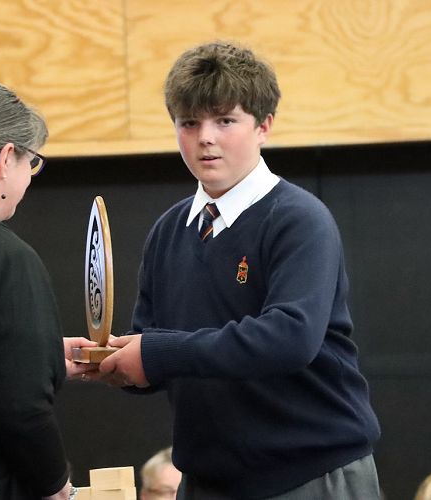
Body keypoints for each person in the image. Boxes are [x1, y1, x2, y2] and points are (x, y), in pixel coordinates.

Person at [99, 41, 381, 499]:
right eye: (189, 123)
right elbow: (157, 348)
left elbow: (290, 337)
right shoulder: (168, 230)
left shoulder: (298, 219)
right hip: (207, 480)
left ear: (263, 126)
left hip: (310, 475)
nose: (205, 137)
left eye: (225, 121)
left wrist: (156, 354)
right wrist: (114, 362)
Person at [0, 78, 95, 499]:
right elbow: (22, 411)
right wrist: (57, 487)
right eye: (30, 163)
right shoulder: (4, 257)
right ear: (4, 158)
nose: (29, 178)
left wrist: (40, 355)